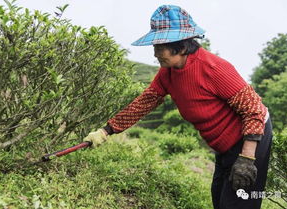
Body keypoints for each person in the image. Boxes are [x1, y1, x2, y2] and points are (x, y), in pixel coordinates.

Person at [84, 5, 272, 209]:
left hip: (251, 139)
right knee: (220, 199)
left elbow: (254, 109)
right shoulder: (168, 73)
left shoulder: (214, 68)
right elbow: (143, 103)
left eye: (160, 47)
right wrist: (106, 130)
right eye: (154, 46)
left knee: (237, 203)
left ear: (181, 47)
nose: (155, 53)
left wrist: (246, 158)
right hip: (223, 146)